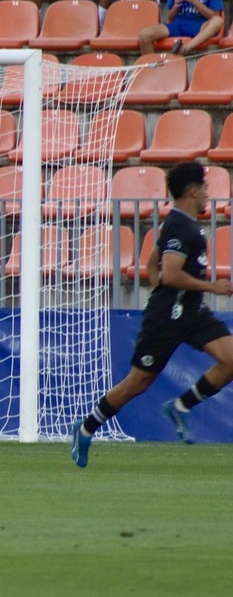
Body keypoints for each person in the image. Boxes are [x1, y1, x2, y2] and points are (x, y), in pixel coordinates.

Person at [71, 161, 233, 468]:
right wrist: (208, 286)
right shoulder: (180, 226)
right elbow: (169, 273)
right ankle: (86, 427)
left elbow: (151, 263)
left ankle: (180, 406)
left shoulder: (180, 224)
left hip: (192, 311)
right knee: (139, 382)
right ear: (193, 190)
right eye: (205, 188)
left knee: (231, 359)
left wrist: (175, 292)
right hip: (168, 317)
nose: (208, 195)